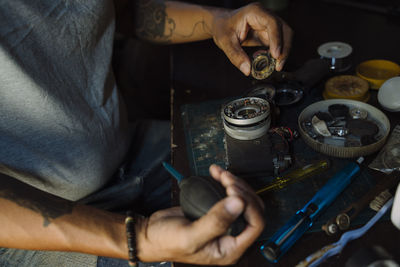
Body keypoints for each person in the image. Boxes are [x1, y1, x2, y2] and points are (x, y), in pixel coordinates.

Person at [0, 0, 292, 266]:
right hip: (28, 225)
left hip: (124, 150)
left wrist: (218, 22)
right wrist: (139, 237)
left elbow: (124, 12)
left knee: (268, 183)